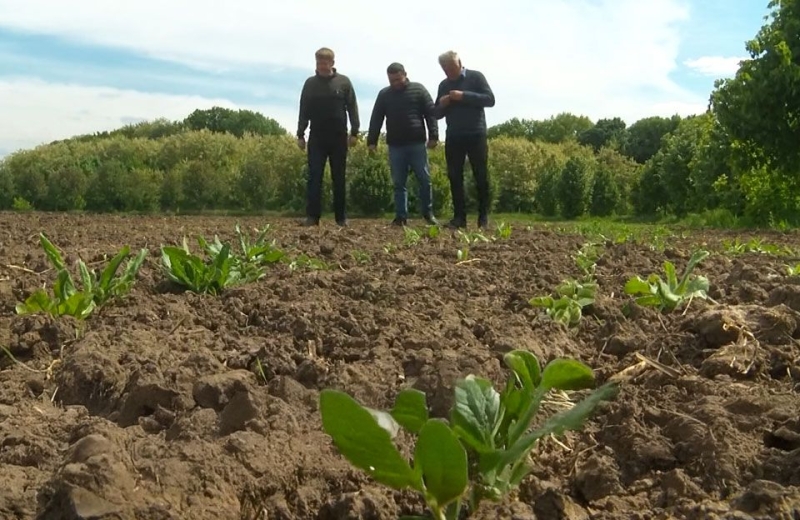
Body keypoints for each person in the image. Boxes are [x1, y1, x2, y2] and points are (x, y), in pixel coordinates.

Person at [367, 62, 439, 227]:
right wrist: (372, 141)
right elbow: (376, 118)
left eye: (398, 79)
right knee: (399, 182)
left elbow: (431, 113)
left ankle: (428, 214)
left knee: (424, 179)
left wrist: (434, 135)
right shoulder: (384, 95)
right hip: (395, 145)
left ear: (405, 74)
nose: (395, 83)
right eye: (392, 80)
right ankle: (401, 217)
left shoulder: (419, 89)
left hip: (417, 143)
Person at [296, 47, 360, 227]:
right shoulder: (310, 84)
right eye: (318, 63)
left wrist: (355, 132)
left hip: (339, 137)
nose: (322, 66)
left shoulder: (344, 82)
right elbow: (304, 109)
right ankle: (312, 217)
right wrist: (301, 134)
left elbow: (352, 108)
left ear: (332, 63)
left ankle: (341, 218)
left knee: (339, 177)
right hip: (316, 137)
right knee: (314, 176)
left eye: (325, 63)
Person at [433, 50, 495, 229]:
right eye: (445, 70)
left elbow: (490, 100)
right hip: (454, 135)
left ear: (459, 63)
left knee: (480, 175)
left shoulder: (476, 77)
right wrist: (442, 104)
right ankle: (459, 218)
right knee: (454, 176)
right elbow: (436, 113)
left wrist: (464, 96)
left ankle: (483, 217)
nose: (449, 73)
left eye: (451, 69)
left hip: (476, 133)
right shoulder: (443, 85)